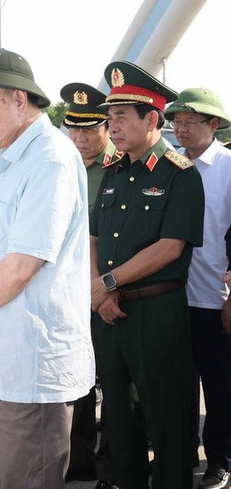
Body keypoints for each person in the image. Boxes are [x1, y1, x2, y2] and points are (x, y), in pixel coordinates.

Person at [0, 48, 95, 489]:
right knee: (4, 477)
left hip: (30, 363)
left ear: (18, 100)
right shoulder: (8, 160)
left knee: (29, 479)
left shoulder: (49, 158)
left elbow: (23, 264)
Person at [90, 61, 204, 489]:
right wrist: (100, 292)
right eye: (110, 115)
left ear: (152, 118)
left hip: (158, 313)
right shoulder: (113, 172)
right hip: (110, 314)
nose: (111, 125)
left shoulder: (180, 175)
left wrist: (106, 284)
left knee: (167, 421)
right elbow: (94, 237)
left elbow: (169, 247)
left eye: (121, 115)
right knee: (119, 420)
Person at [164, 88, 231, 489]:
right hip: (172, 295)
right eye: (177, 121)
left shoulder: (227, 167)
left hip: (214, 297)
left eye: (190, 121)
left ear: (214, 124)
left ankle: (220, 459)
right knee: (176, 382)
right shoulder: (171, 165)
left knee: (219, 385)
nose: (181, 128)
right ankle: (181, 450)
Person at [59, 82, 120, 485]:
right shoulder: (58, 164)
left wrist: (105, 288)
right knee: (74, 382)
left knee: (115, 384)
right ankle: (77, 460)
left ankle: (112, 464)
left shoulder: (122, 168)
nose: (80, 138)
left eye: (90, 128)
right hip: (64, 293)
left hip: (108, 292)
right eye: (73, 129)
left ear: (106, 127)